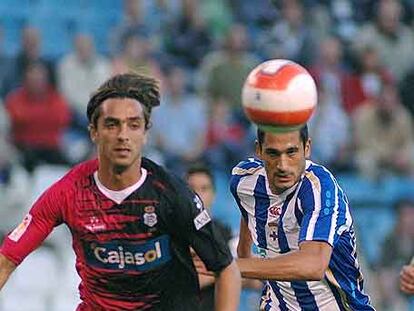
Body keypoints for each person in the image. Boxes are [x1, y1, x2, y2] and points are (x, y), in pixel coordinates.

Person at [0, 73, 241, 310]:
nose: (123, 135)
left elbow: (226, 267)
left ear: (145, 133)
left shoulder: (171, 194)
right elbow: (7, 260)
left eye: (133, 125)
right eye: (112, 124)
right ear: (94, 131)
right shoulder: (69, 192)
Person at [230, 125, 375, 310]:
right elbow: (247, 210)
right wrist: (243, 258)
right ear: (259, 150)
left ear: (307, 148)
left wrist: (233, 266)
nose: (283, 165)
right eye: (273, 153)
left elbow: (313, 265)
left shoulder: (319, 187)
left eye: (291, 152)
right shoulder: (244, 180)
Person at [186, 163, 234, 311]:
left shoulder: (225, 233)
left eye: (204, 189)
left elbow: (249, 278)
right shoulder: (171, 232)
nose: (197, 194)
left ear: (213, 194)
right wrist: (218, 272)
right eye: (191, 188)